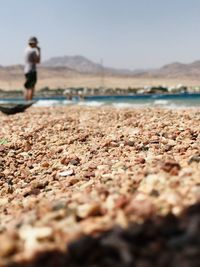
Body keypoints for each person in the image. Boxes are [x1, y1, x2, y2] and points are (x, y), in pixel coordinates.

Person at [24, 37, 41, 101]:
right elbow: (38, 61)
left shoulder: (26, 49)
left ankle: (26, 101)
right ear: (34, 43)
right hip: (31, 70)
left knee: (27, 86)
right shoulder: (32, 51)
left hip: (26, 70)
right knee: (31, 87)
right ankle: (29, 101)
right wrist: (39, 51)